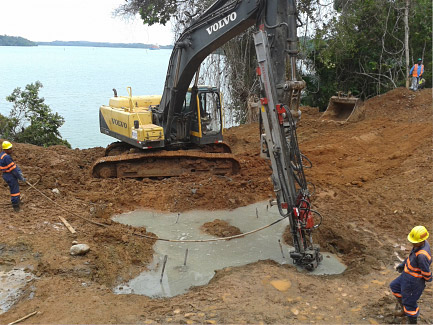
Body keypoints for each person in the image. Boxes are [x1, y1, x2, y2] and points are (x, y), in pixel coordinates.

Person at [390, 226, 431, 324]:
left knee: (410, 304)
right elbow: (411, 257)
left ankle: (412, 319)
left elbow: (426, 271)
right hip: (406, 276)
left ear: (421, 241)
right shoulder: (419, 245)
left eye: (414, 242)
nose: (412, 243)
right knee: (394, 287)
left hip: (413, 282)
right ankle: (404, 309)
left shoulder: (422, 255)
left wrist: (429, 278)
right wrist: (403, 265)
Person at [0, 141, 26, 212]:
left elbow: (14, 166)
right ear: (5, 149)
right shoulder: (7, 157)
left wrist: (19, 171)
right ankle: (16, 207)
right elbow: (14, 170)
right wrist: (21, 178)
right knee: (15, 192)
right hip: (10, 176)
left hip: (6, 175)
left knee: (14, 190)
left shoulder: (2, 155)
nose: (11, 150)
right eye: (9, 149)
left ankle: (16, 203)